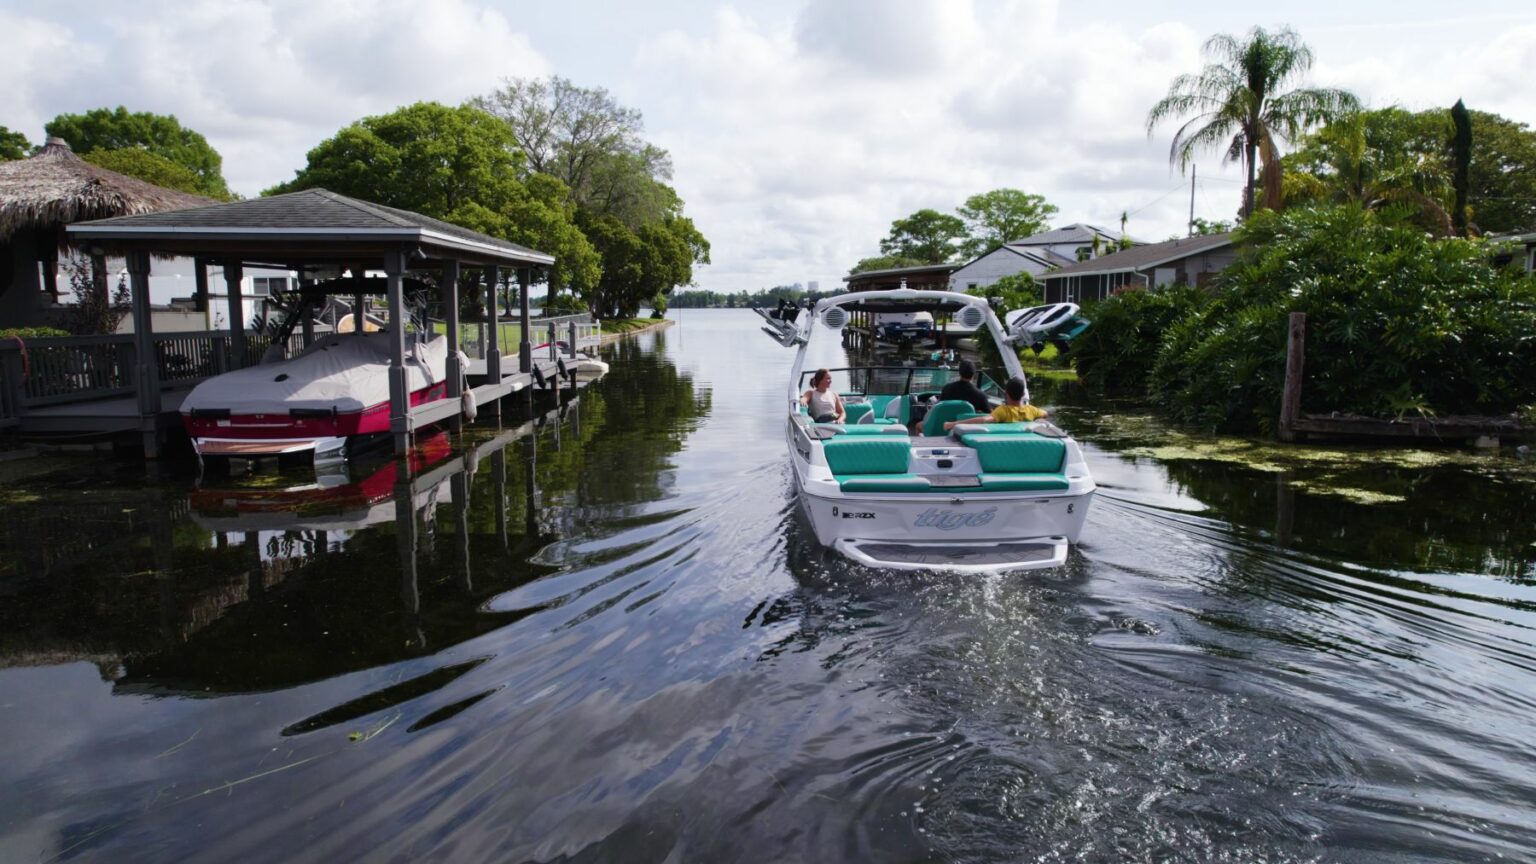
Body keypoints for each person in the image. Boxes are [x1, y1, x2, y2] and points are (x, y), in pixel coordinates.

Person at [944, 376, 1047, 430]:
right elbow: (1045, 413)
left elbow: (984, 420)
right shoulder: (1032, 410)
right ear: (1023, 394)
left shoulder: (1003, 411)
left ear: (1006, 393)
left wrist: (953, 424)